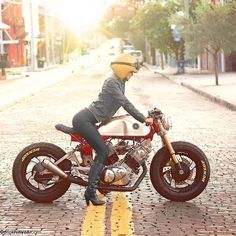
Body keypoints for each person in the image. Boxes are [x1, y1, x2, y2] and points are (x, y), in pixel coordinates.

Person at [72, 54, 153, 206]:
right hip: (84, 120)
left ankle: (104, 183)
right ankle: (90, 191)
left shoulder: (120, 81)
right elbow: (124, 102)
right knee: (102, 151)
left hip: (90, 120)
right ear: (123, 70)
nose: (131, 75)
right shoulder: (111, 82)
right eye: (131, 72)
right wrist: (143, 119)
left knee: (108, 147)